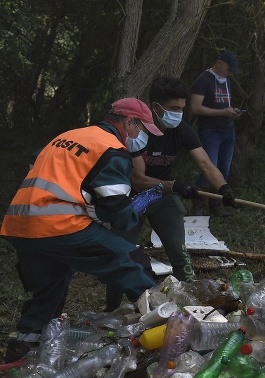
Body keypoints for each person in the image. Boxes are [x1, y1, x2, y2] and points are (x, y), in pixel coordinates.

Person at [0, 98, 159, 362]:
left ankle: (23, 350)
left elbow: (39, 168)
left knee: (49, 288)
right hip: (59, 225)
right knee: (133, 261)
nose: (142, 138)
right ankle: (165, 330)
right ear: (130, 122)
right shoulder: (112, 148)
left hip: (21, 225)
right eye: (142, 130)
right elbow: (115, 208)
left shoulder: (69, 136)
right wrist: (132, 215)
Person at [104, 77, 238, 310]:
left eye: (182, 109)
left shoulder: (182, 131)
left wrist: (223, 188)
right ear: (156, 107)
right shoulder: (137, 130)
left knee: (178, 250)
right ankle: (111, 309)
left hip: (162, 196)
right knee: (120, 253)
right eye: (174, 109)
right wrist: (175, 185)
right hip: (133, 197)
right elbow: (138, 178)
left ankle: (191, 305)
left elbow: (205, 164)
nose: (179, 114)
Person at [189, 51, 242, 216]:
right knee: (208, 169)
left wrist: (232, 112)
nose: (230, 73)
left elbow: (223, 105)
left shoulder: (226, 81)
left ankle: (216, 207)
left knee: (223, 170)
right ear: (219, 63)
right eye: (228, 69)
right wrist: (222, 113)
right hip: (210, 131)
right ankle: (198, 207)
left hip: (228, 129)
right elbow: (195, 107)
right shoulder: (203, 80)